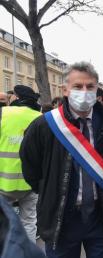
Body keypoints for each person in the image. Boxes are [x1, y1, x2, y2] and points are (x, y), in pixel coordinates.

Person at [19, 62, 103, 258]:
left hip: (100, 217)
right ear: (65, 90)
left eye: (90, 87)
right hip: (61, 219)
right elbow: (31, 168)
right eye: (77, 87)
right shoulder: (44, 126)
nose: (84, 92)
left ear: (97, 89)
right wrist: (49, 190)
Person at [0, 85, 41, 242]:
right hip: (30, 183)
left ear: (16, 97)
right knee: (29, 222)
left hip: (3, 182)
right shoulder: (38, 116)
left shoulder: (3, 113)